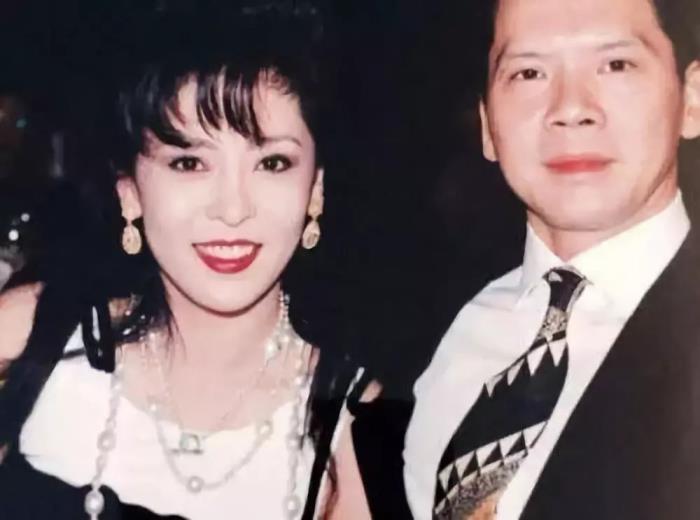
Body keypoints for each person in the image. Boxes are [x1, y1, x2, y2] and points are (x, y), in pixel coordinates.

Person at [0, 3, 371, 519]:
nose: (233, 209)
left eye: (272, 162)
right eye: (190, 162)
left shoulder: (355, 432)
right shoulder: (31, 335)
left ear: (316, 190)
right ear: (129, 191)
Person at [404, 0, 700, 518]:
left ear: (692, 99)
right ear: (486, 123)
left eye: (615, 64)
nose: (570, 107)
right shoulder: (422, 329)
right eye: (529, 73)